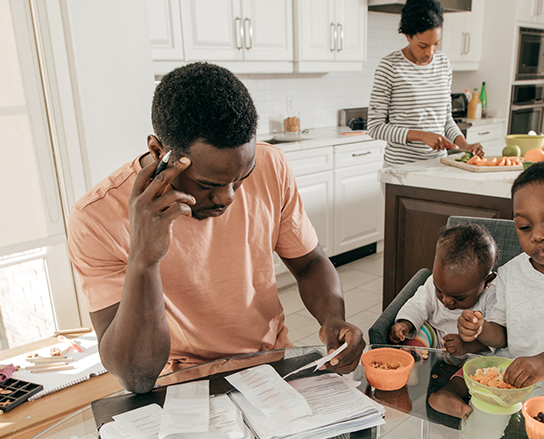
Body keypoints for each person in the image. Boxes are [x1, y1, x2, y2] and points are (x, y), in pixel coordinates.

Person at [67, 62, 365, 393]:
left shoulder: (271, 164)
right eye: (208, 184)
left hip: (270, 361)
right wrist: (144, 258)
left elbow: (310, 263)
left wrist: (332, 317)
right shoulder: (95, 218)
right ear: (158, 152)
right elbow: (137, 376)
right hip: (178, 381)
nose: (227, 197)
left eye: (242, 178)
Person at [432, 162, 544, 419]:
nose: (537, 236)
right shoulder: (510, 272)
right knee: (478, 433)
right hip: (506, 373)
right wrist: (480, 328)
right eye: (525, 226)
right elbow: (501, 337)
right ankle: (453, 394)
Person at [367, 0, 484, 165]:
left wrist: (464, 145)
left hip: (438, 165)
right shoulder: (390, 66)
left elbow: (446, 119)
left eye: (436, 44)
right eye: (423, 45)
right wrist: (422, 136)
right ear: (408, 36)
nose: (430, 52)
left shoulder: (443, 63)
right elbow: (375, 127)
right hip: (400, 168)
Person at [389, 224, 497, 363]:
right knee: (420, 332)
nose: (446, 301)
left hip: (470, 349)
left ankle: (458, 380)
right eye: (439, 291)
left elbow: (495, 339)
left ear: (487, 281)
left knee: (483, 362)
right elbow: (417, 306)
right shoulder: (434, 281)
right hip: (436, 335)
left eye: (459, 297)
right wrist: (405, 324)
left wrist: (468, 346)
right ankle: (413, 364)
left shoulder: (493, 295)